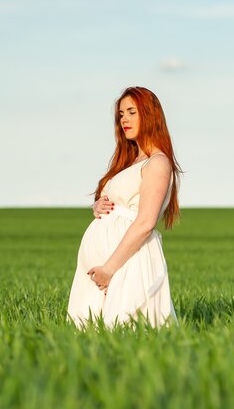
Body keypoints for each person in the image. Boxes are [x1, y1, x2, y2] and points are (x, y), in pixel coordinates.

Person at [66, 86, 182, 330]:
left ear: (150, 115)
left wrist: (109, 269)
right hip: (109, 265)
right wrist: (98, 205)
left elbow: (145, 222)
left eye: (132, 112)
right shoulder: (131, 161)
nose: (124, 120)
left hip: (127, 260)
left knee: (125, 330)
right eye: (121, 114)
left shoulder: (158, 162)